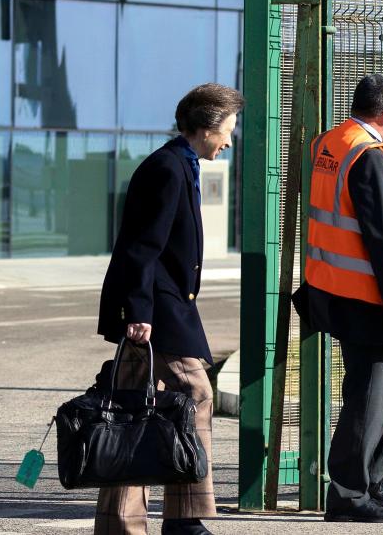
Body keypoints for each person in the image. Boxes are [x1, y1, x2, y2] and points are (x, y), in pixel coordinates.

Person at [95, 83, 244, 535]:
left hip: (167, 306)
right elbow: (142, 249)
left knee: (136, 411)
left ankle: (126, 521)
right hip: (156, 309)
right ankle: (184, 518)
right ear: (205, 126)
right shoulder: (167, 168)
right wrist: (139, 311)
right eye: (228, 130)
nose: (230, 141)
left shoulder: (182, 164)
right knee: (195, 395)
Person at [292, 73, 383, 523]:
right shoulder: (368, 154)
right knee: (367, 393)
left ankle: (371, 478)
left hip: (341, 290)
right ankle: (347, 493)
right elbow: (381, 239)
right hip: (367, 298)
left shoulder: (331, 143)